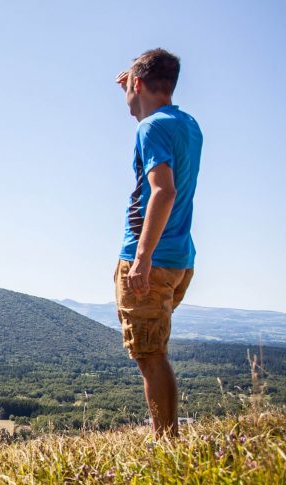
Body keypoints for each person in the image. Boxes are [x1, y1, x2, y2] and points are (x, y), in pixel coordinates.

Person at [114, 48, 203, 438]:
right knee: (152, 350)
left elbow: (162, 191)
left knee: (150, 355)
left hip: (152, 256)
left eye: (130, 85)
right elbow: (141, 107)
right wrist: (132, 90)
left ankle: (167, 444)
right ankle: (167, 439)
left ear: (138, 83)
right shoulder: (188, 125)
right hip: (181, 257)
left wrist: (141, 258)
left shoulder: (151, 129)